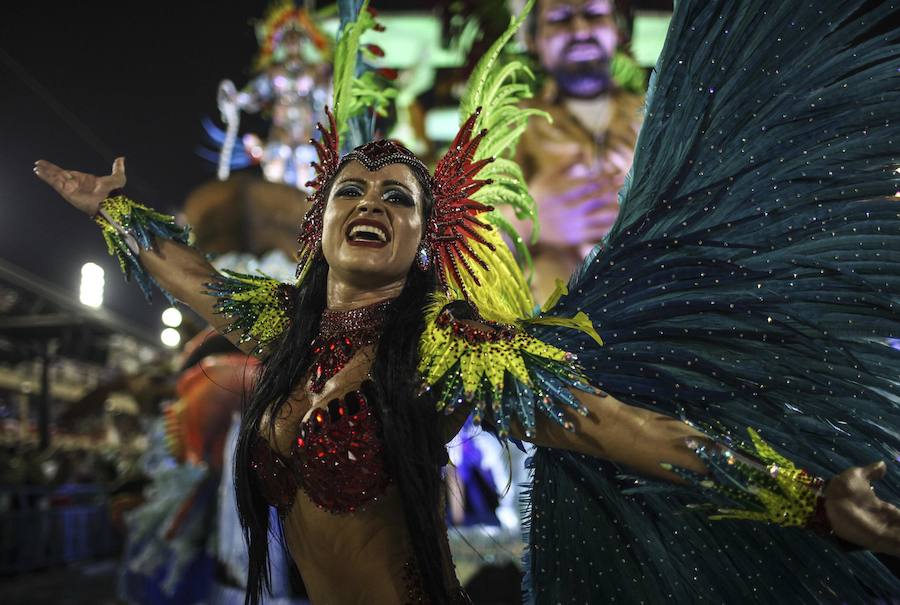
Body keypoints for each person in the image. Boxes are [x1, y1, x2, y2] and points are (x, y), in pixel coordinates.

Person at [33, 0, 900, 603]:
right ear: (320, 218)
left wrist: (806, 493)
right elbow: (197, 280)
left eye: (398, 197)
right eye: (352, 188)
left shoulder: (447, 355)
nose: (371, 201)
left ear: (424, 244)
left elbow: (617, 428)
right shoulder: (281, 324)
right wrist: (113, 209)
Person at [516, 0, 642, 302]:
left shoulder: (657, 118)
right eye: (560, 18)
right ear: (533, 40)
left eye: (594, 14)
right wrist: (530, 220)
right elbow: (455, 227)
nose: (580, 29)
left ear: (618, 32)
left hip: (651, 312)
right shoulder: (509, 123)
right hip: (547, 323)